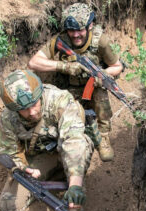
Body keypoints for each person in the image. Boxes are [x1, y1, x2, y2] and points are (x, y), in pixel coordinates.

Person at [28, 3, 123, 162]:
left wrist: (102, 74)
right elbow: (33, 63)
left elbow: (117, 66)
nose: (75, 35)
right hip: (68, 89)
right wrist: (65, 67)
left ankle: (103, 137)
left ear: (90, 26)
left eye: (80, 30)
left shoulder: (101, 41)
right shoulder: (61, 40)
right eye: (71, 30)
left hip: (92, 90)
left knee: (101, 90)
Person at [0, 69, 93, 211]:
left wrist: (75, 184)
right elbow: (10, 152)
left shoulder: (60, 100)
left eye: (34, 103)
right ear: (14, 109)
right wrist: (22, 168)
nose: (32, 112)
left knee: (82, 146)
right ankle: (57, 174)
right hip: (43, 156)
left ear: (40, 94)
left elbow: (73, 140)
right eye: (24, 109)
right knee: (8, 204)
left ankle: (74, 184)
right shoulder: (8, 118)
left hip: (72, 152)